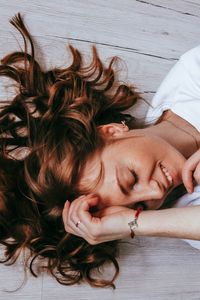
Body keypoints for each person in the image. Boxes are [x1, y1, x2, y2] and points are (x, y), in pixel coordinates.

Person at [0, 12, 200, 290]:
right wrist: (135, 223)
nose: (155, 192)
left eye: (130, 177)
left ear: (110, 131)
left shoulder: (193, 77)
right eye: (138, 207)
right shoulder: (186, 214)